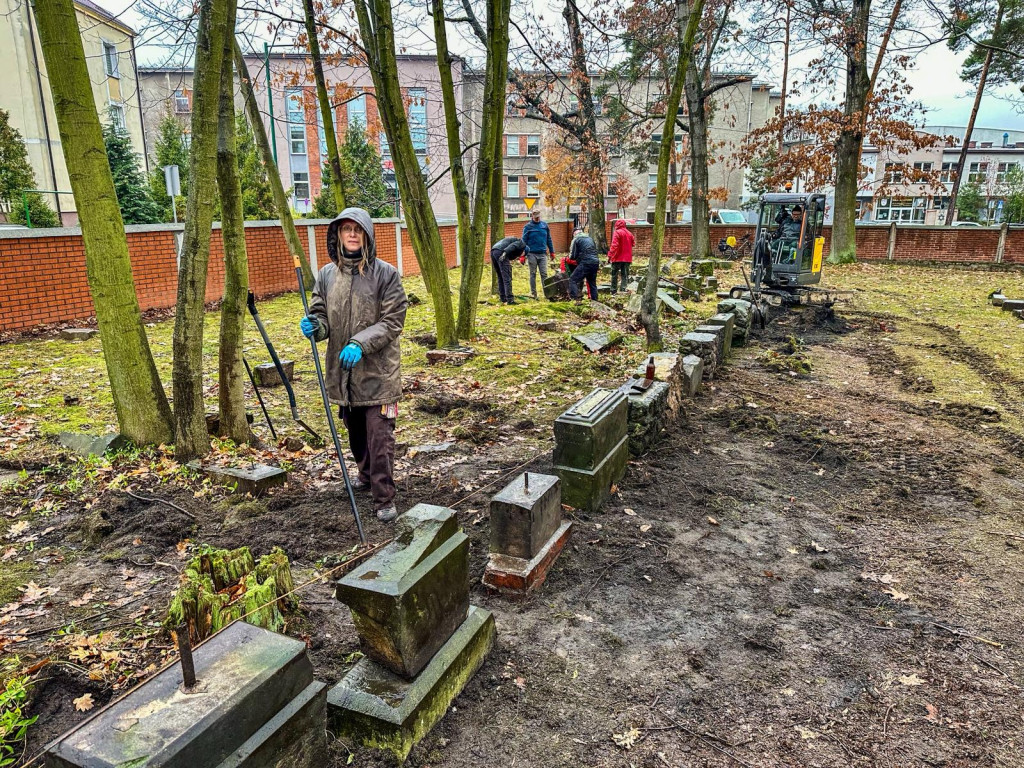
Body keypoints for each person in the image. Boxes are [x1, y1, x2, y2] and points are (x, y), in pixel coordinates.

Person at [300, 208, 408, 523]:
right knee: (356, 430)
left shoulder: (386, 274)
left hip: (378, 372)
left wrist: (360, 343)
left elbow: (393, 320)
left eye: (357, 230)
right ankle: (365, 474)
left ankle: (384, 496)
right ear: (337, 235)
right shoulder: (326, 275)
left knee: (379, 435)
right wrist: (316, 326)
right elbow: (320, 313)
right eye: (346, 229)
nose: (351, 234)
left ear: (366, 235)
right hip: (344, 373)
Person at [521, 209, 555, 300]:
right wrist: (522, 255)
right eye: (536, 217)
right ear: (532, 216)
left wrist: (552, 251)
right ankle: (534, 294)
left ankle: (547, 294)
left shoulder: (544, 226)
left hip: (543, 254)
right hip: (531, 253)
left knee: (544, 274)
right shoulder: (528, 227)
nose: (537, 219)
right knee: (533, 274)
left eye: (538, 217)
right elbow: (523, 241)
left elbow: (549, 239)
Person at [490, 235, 527, 305]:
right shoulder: (522, 244)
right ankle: (510, 300)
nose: (520, 256)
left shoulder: (513, 241)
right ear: (524, 251)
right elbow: (512, 246)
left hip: (493, 251)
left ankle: (503, 298)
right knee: (507, 277)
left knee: (500, 276)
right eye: (523, 255)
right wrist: (505, 253)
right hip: (501, 252)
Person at [567, 228, 599, 301]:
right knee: (592, 283)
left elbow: (572, 256)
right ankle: (595, 301)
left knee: (573, 280)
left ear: (574, 234)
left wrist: (569, 257)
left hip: (586, 262)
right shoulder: (590, 238)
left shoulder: (576, 239)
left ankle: (576, 299)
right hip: (595, 262)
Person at [607, 219, 635, 294]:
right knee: (624, 274)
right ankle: (623, 288)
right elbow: (633, 244)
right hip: (627, 258)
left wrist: (610, 256)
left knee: (614, 274)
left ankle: (613, 290)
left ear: (617, 225)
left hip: (617, 257)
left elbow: (614, 245)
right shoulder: (629, 233)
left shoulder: (617, 232)